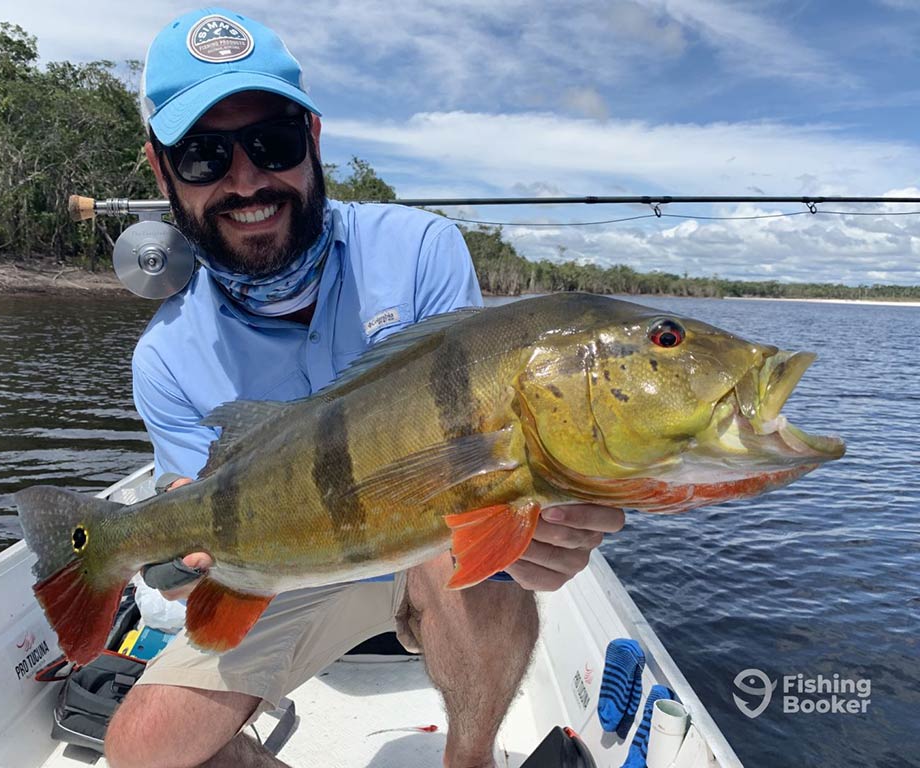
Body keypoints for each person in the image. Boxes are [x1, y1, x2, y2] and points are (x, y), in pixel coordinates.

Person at [105, 9, 625, 768]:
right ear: (162, 171)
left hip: (430, 552)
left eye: (271, 143)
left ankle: (469, 760)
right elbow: (199, 539)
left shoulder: (421, 252)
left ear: (312, 139)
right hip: (286, 572)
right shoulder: (165, 358)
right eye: (203, 157)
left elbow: (485, 458)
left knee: (478, 541)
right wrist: (179, 565)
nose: (246, 179)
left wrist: (542, 523)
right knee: (142, 752)